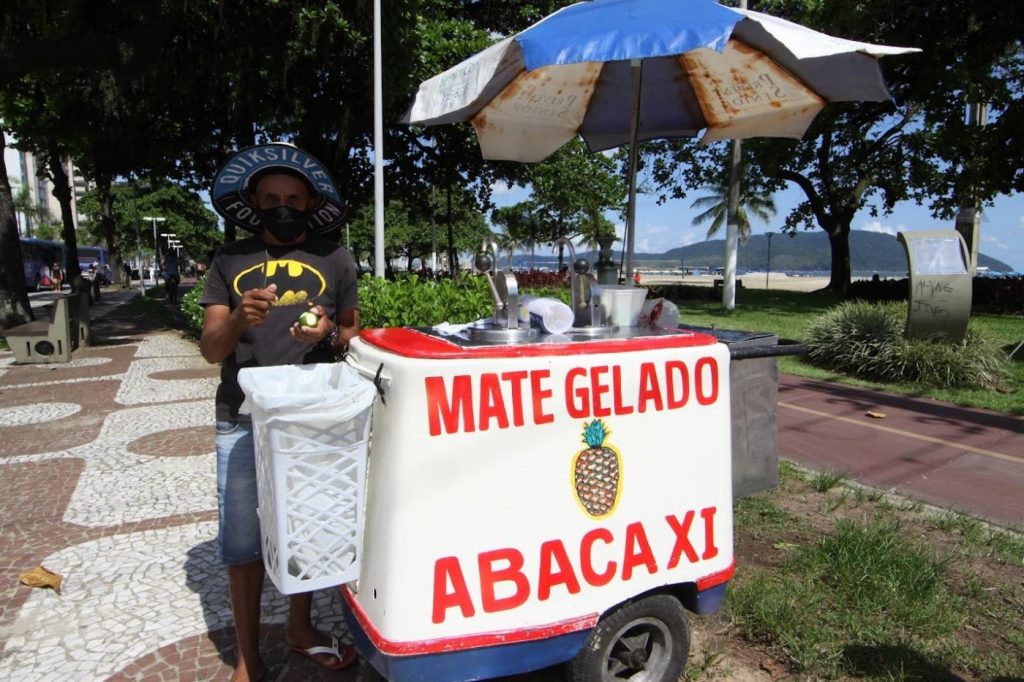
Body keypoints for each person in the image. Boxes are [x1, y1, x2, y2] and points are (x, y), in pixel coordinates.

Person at [200, 148, 359, 682]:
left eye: (293, 199)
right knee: (242, 540)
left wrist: (330, 334)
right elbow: (210, 349)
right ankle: (248, 657)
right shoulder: (228, 261)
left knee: (305, 526)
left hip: (310, 416)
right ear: (253, 204)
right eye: (271, 200)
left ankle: (301, 628)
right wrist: (239, 319)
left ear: (311, 202)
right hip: (241, 416)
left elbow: (354, 333)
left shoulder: (335, 258)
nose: (283, 208)